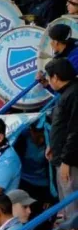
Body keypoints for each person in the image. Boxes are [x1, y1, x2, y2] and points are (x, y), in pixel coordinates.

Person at [45, 58, 78, 220]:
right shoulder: (67, 93)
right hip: (62, 158)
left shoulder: (74, 94)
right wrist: (53, 145)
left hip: (70, 163)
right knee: (67, 207)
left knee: (73, 210)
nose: (49, 82)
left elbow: (75, 130)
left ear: (56, 77)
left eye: (49, 78)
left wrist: (66, 160)